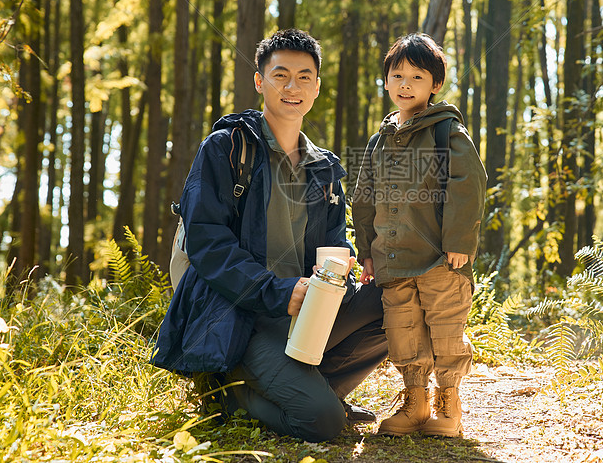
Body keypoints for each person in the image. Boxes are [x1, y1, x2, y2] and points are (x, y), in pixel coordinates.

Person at [151, 29, 387, 442]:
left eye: (304, 76)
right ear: (260, 82)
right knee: (322, 422)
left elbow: (332, 242)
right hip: (240, 317)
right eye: (280, 75)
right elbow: (208, 245)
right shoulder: (227, 148)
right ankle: (226, 394)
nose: (292, 87)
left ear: (317, 86)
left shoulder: (322, 168)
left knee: (392, 296)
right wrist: (278, 292)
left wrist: (343, 270)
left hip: (303, 315)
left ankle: (315, 387)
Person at [352, 33, 486, 437]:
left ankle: (449, 403)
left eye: (417, 76)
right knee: (403, 331)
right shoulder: (380, 140)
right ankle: (415, 402)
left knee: (446, 331)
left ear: (435, 85)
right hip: (393, 259)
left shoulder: (445, 132)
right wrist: (367, 251)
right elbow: (364, 196)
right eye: (397, 75)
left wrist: (459, 242)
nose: (405, 84)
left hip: (439, 259)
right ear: (387, 81)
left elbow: (469, 184)